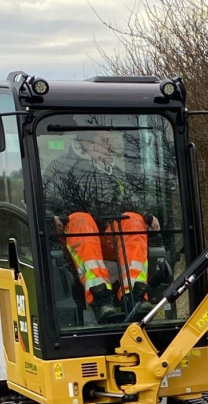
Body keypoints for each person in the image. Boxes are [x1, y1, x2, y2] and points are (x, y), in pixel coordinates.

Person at [41, 129, 159, 323]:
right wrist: (54, 221)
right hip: (73, 241)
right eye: (106, 141)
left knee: (131, 219)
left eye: (112, 141)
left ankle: (134, 296)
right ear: (87, 143)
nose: (111, 147)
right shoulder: (60, 168)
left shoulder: (116, 174)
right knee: (81, 220)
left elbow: (133, 203)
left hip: (107, 241)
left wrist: (147, 218)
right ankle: (100, 299)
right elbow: (45, 206)